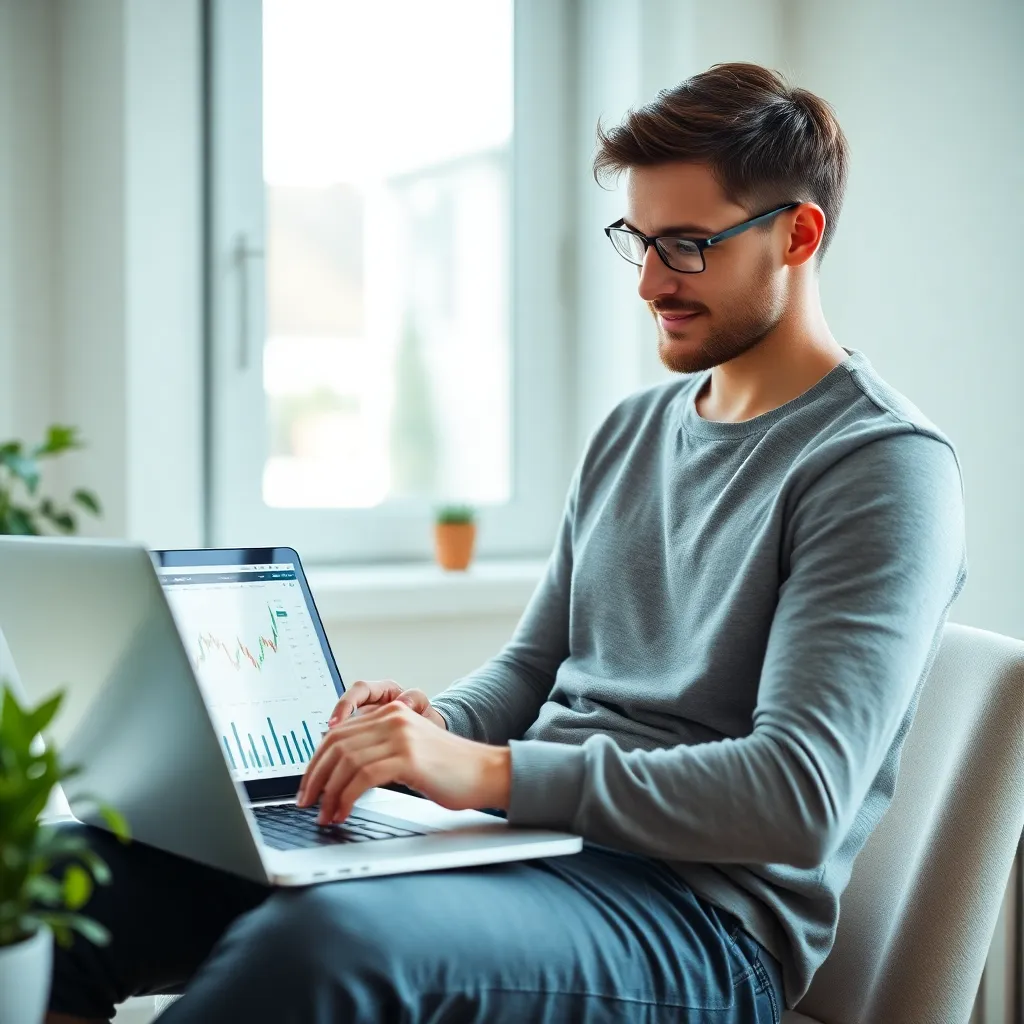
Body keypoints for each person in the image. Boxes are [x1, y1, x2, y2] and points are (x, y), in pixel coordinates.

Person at [48, 62, 966, 1024]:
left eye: (689, 246)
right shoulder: (634, 429)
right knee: (66, 886)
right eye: (641, 241)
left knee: (324, 951)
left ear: (798, 234)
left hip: (699, 921)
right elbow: (533, 668)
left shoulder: (881, 466)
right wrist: (432, 731)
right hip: (520, 846)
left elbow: (796, 793)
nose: (652, 281)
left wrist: (485, 773)